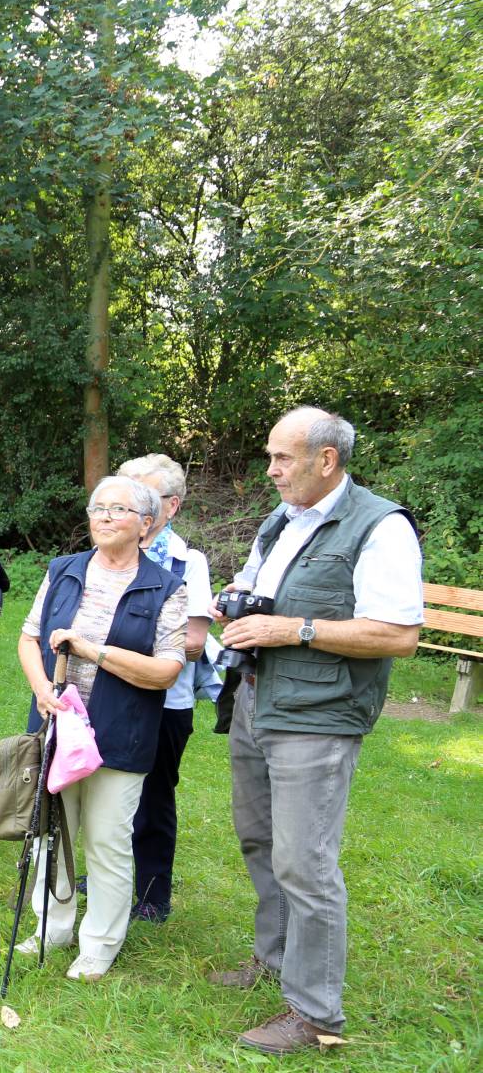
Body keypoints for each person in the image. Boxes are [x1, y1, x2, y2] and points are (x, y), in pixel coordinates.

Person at [210, 407, 422, 1055]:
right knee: (260, 841)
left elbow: (398, 634)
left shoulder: (380, 526)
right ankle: (274, 961)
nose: (269, 469)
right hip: (258, 699)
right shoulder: (283, 520)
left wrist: (292, 628)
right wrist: (238, 598)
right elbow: (262, 585)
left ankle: (315, 1015)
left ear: (325, 460)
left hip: (320, 716)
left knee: (305, 860)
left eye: (282, 458)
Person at [16, 476, 188, 981]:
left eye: (118, 509)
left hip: (121, 731)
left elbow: (166, 671)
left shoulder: (165, 586)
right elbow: (30, 639)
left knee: (108, 840)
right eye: (98, 508)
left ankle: (100, 942)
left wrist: (91, 651)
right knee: (53, 832)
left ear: (146, 524)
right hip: (59, 725)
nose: (105, 517)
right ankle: (52, 926)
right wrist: (41, 687)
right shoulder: (63, 571)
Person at [115, 454, 213, 922]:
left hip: (165, 702)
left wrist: (116, 645)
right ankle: (102, 874)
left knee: (153, 799)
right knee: (104, 790)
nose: (125, 502)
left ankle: (153, 894)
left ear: (169, 507)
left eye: (141, 492)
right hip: (104, 693)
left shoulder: (187, 563)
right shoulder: (106, 557)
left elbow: (192, 644)